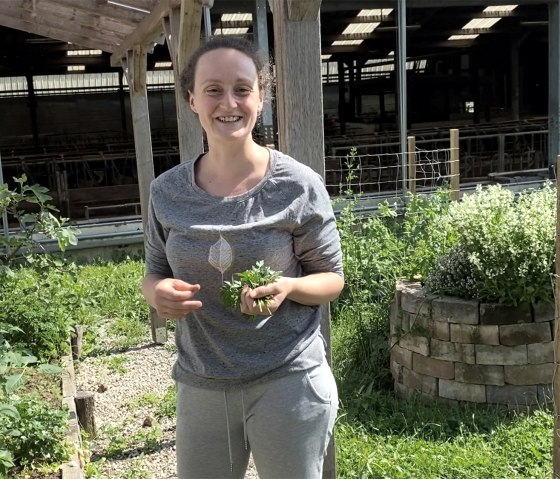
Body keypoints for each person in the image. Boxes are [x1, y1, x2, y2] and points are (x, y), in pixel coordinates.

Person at [140, 36, 344, 479]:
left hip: (287, 378)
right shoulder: (167, 192)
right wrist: (159, 293)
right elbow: (153, 272)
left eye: (242, 88)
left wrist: (289, 287)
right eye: (213, 89)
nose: (228, 102)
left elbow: (331, 278)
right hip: (202, 383)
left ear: (261, 97)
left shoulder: (298, 185)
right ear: (192, 99)